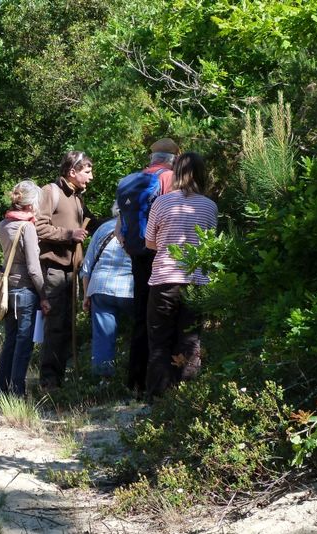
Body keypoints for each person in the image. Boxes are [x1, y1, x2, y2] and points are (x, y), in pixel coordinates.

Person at [144, 152, 218, 401]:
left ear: (176, 174)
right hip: (196, 281)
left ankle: (157, 397)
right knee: (190, 340)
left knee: (159, 340)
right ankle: (186, 397)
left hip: (165, 279)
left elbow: (150, 242)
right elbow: (210, 244)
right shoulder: (210, 206)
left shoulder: (162, 203)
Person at [116, 138, 180, 399]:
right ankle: (163, 384)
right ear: (173, 159)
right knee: (164, 319)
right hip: (161, 256)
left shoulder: (128, 181)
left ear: (152, 157)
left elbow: (119, 227)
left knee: (141, 316)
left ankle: (135, 381)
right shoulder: (170, 179)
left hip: (137, 255)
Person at [35, 151, 97, 390]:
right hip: (54, 269)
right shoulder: (51, 192)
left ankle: (60, 379)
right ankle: (49, 382)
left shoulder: (78, 197)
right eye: (87, 172)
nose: (91, 177)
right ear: (72, 172)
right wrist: (69, 235)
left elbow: (93, 221)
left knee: (68, 324)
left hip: (72, 270)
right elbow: (39, 227)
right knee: (56, 325)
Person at [0, 181, 51, 397]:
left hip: (8, 289)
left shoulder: (4, 224)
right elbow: (34, 268)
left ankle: (2, 389)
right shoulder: (26, 227)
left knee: (10, 341)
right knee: (24, 343)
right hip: (26, 290)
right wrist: (44, 295)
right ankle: (17, 391)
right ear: (30, 204)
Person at [80, 202, 134, 381]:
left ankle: (104, 380)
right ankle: (135, 375)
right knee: (141, 329)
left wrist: (86, 295)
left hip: (100, 287)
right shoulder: (139, 226)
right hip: (130, 287)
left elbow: (87, 266)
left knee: (103, 336)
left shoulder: (103, 228)